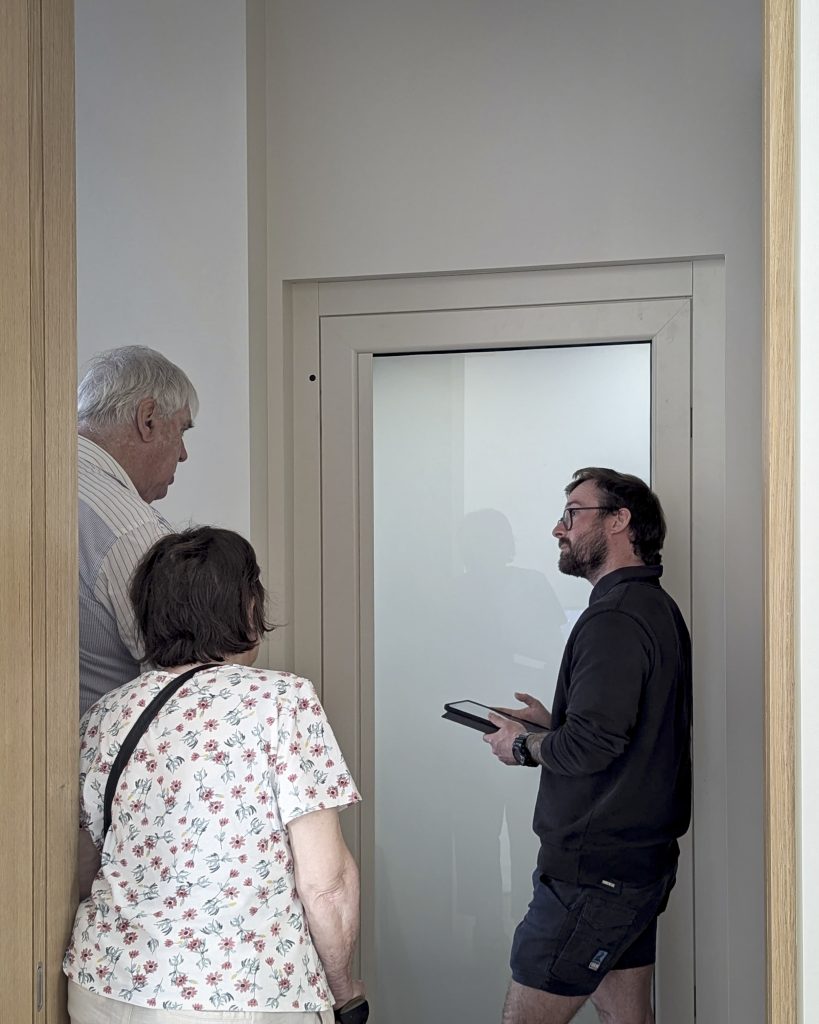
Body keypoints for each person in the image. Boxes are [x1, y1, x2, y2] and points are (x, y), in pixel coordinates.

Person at [64, 526, 365, 1023]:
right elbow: (326, 882)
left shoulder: (105, 714)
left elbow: (83, 864)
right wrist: (343, 990)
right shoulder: (281, 702)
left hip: (105, 985)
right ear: (248, 607)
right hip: (240, 993)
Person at [483, 468, 692, 1024]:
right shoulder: (653, 606)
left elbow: (596, 744)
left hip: (592, 873)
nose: (559, 527)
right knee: (626, 1014)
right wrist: (556, 726)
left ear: (619, 521)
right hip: (631, 864)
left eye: (573, 513)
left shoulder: (616, 616)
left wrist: (524, 746)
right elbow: (626, 732)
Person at [78, 345, 197, 716]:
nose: (183, 454)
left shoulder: (27, 482)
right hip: (99, 767)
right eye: (181, 430)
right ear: (147, 420)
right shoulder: (132, 530)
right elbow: (185, 685)